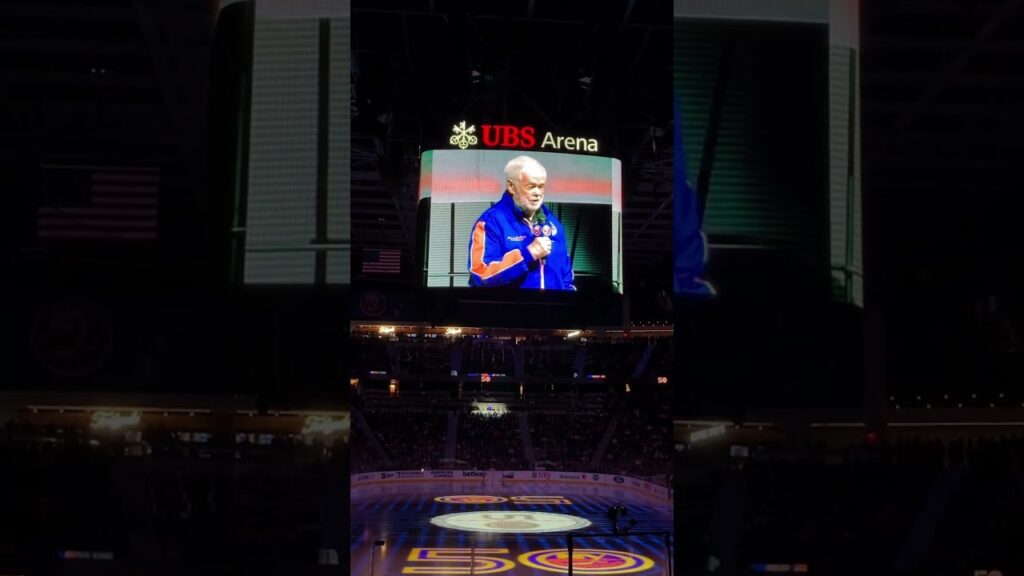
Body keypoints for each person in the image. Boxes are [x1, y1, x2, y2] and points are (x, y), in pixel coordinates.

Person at [468, 156, 576, 290]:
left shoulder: (553, 223)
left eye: (541, 187)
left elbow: (566, 277)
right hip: (512, 310)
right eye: (531, 186)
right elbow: (481, 276)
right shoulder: (490, 223)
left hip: (553, 309)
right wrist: (527, 255)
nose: (537, 193)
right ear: (512, 187)